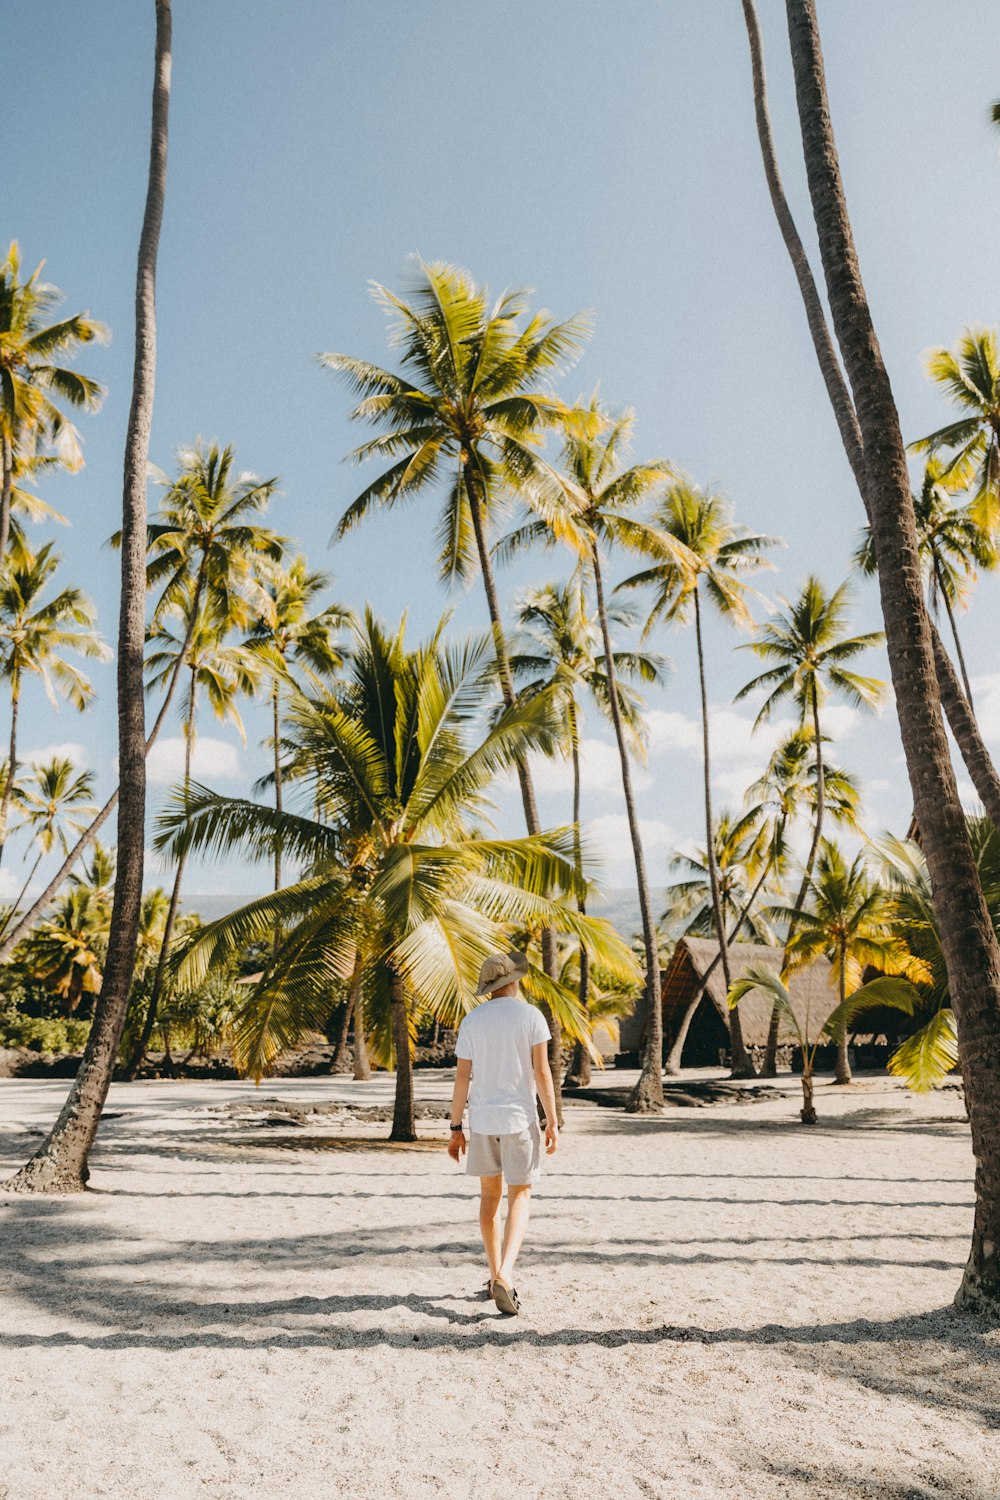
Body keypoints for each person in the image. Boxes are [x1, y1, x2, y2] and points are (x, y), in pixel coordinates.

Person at [447, 950, 559, 1316]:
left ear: (488, 986)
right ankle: (506, 1273)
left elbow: (462, 1077)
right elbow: (542, 1072)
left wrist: (454, 1128)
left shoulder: (472, 1021)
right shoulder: (530, 1016)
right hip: (519, 1119)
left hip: (481, 1121)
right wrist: (552, 1119)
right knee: (520, 1195)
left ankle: (494, 1272)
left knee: (489, 1197)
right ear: (514, 980)